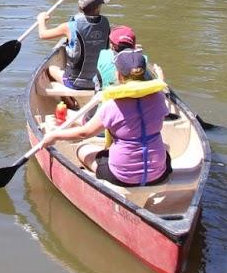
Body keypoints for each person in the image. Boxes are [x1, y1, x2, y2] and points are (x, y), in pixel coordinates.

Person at [38, 50, 170, 186]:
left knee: (83, 150)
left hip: (122, 177)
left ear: (118, 75)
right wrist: (160, 78)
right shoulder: (159, 97)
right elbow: (158, 89)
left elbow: (84, 132)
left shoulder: (112, 105)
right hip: (159, 174)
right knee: (165, 147)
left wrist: (54, 135)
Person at [36, 0, 111, 90]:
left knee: (50, 69)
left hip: (75, 83)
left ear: (80, 8)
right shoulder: (106, 24)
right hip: (99, 82)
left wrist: (41, 20)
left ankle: (70, 102)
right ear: (98, 8)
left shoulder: (69, 27)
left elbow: (43, 35)